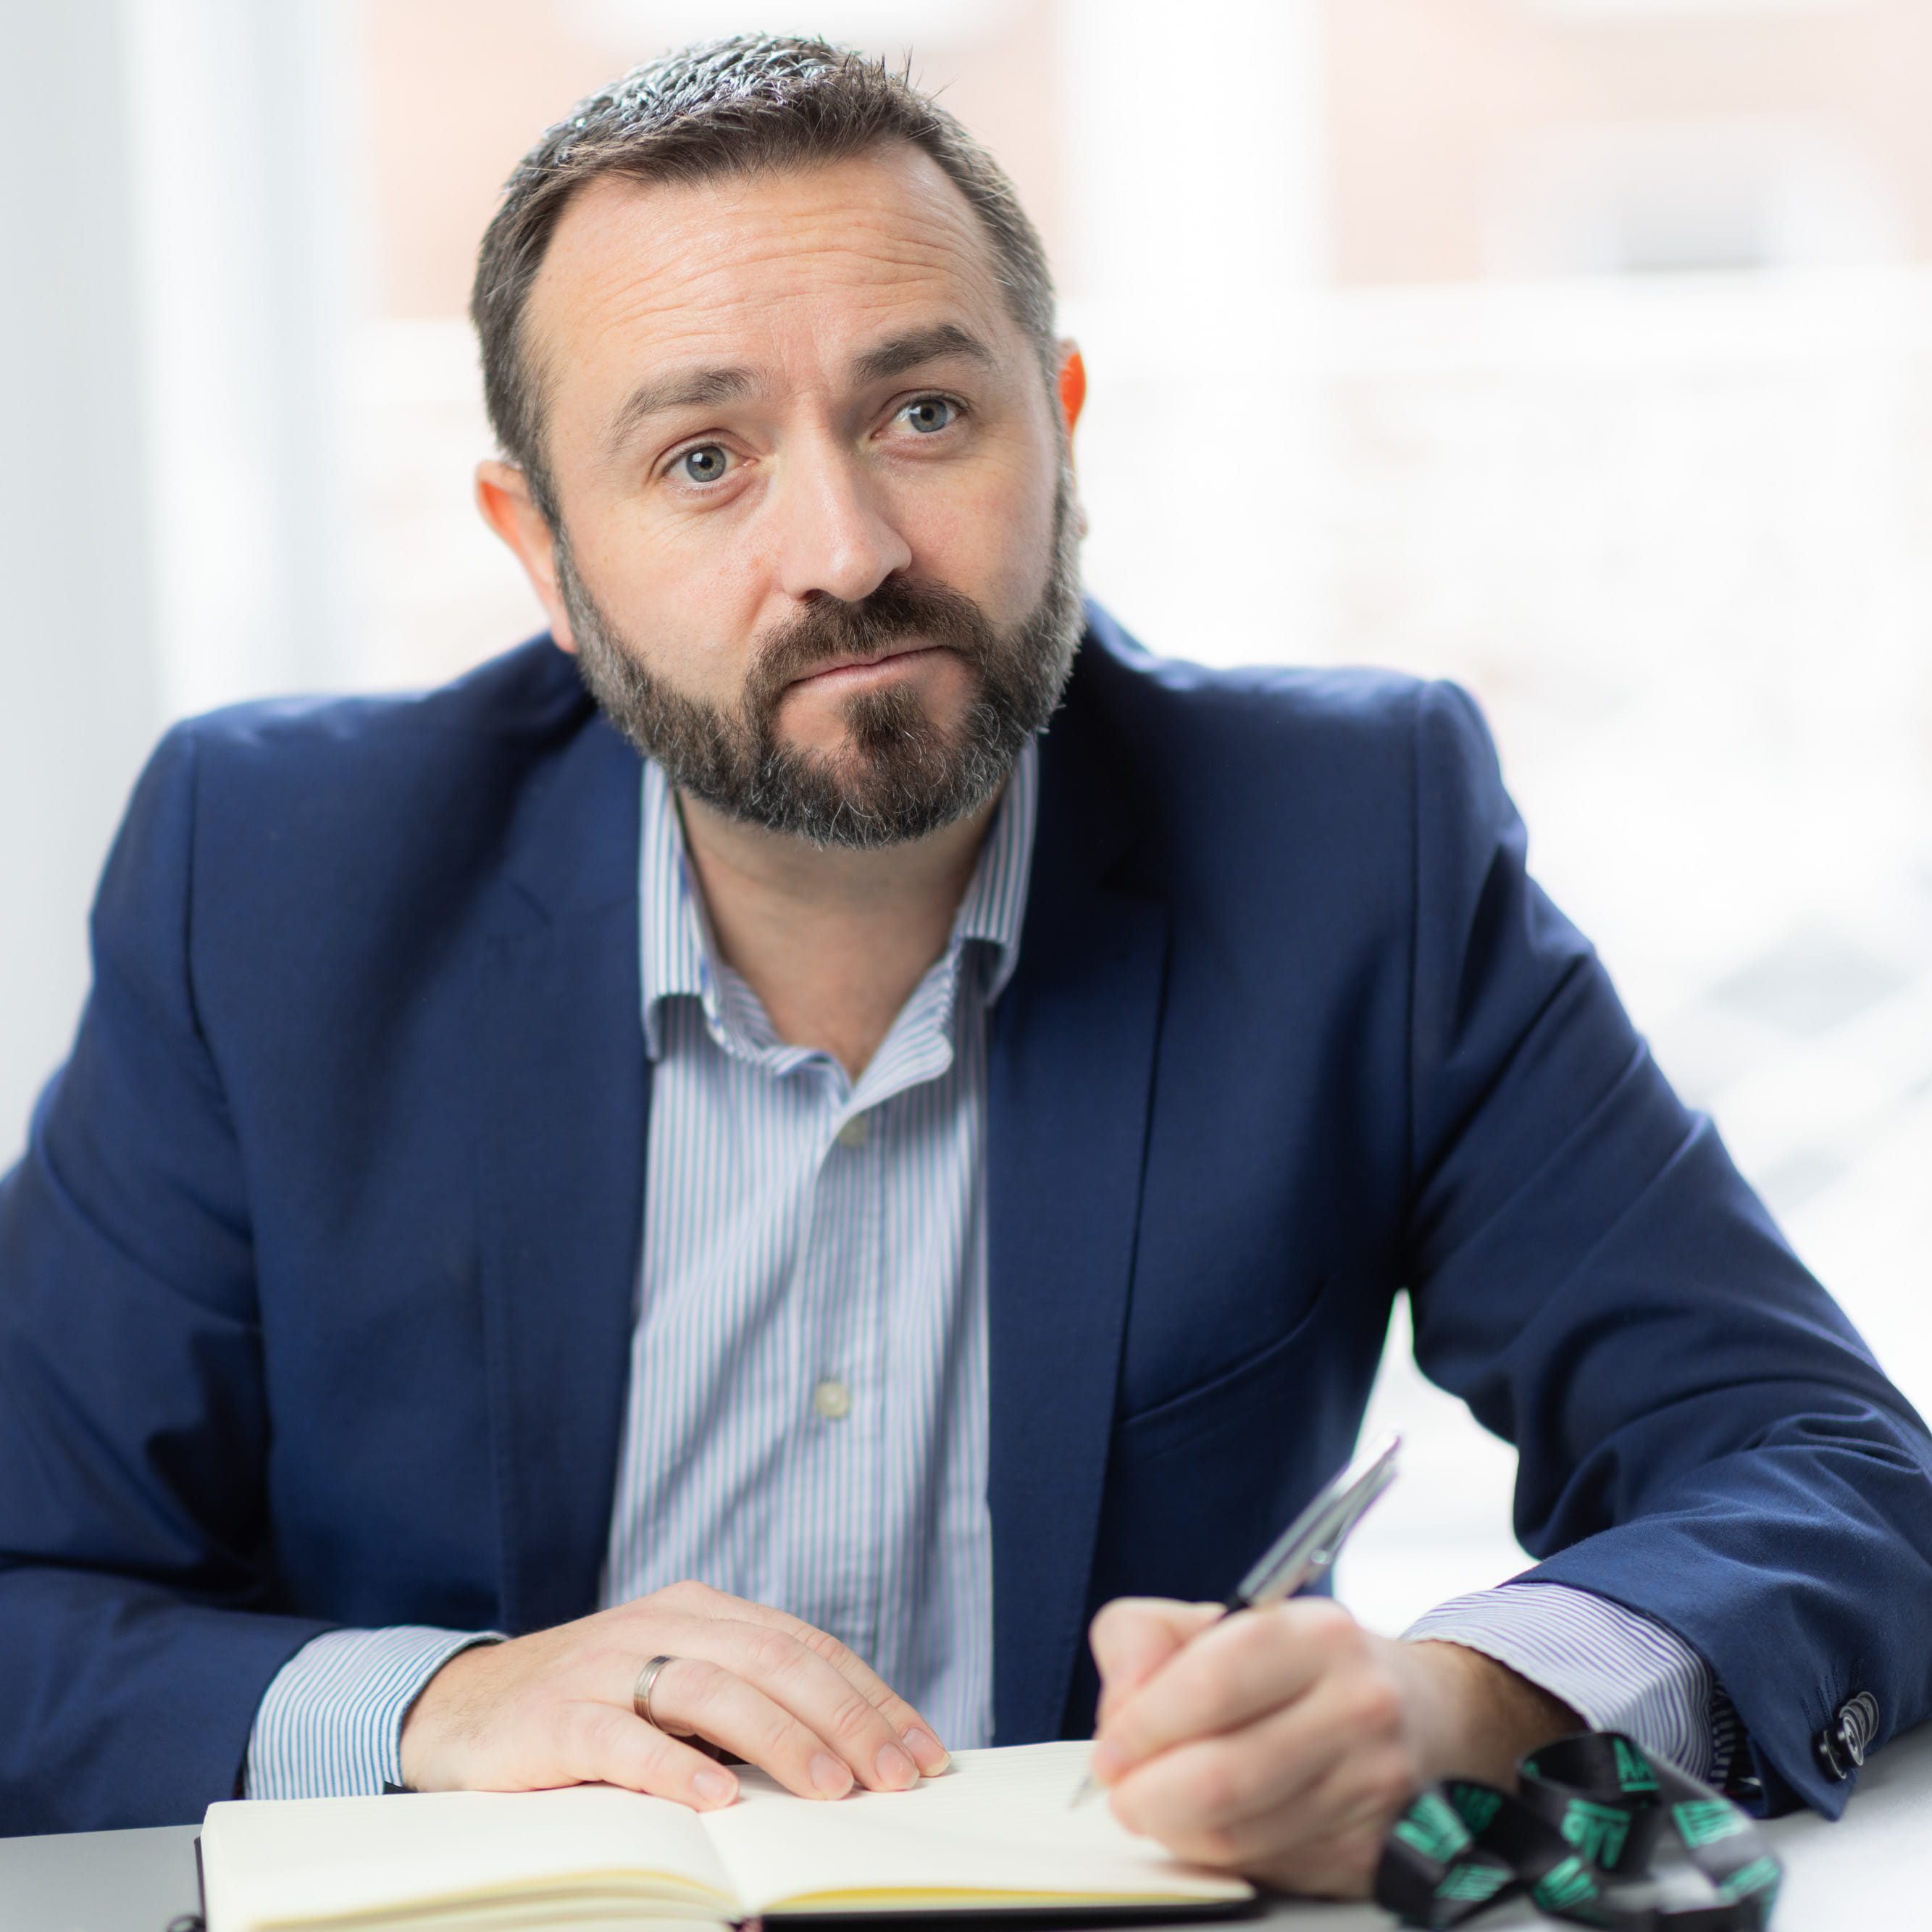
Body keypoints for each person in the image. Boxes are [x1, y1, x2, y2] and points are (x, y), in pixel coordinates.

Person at [1, 34, 1926, 1894]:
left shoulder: (1352, 837)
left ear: (1059, 428)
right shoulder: (271, 876)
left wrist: (1454, 1712)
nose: (844, 548)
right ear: (541, 552)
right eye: (699, 458)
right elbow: (26, 1597)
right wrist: (433, 1701)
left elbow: (1828, 1469)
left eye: (924, 413)